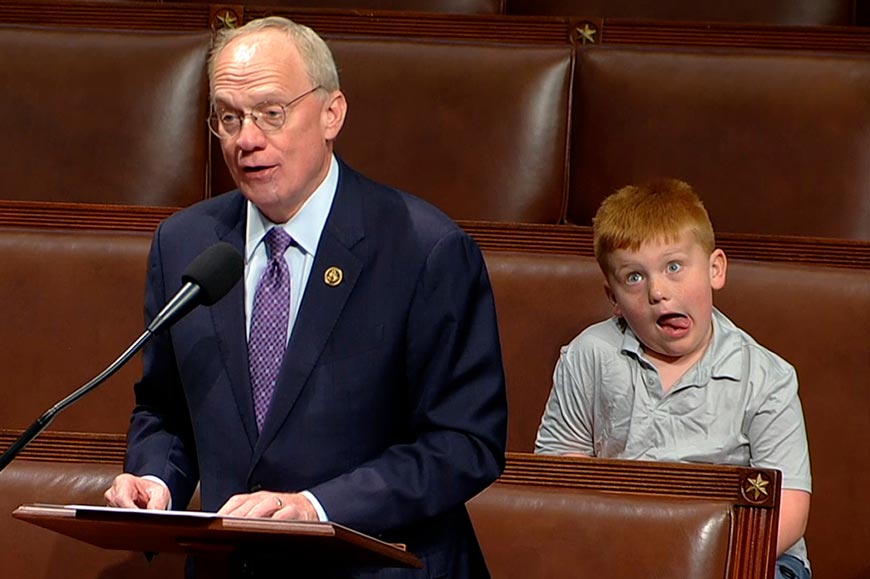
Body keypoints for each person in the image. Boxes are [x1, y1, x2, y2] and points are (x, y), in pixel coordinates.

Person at [104, 16, 507, 578]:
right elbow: (166, 410)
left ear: (331, 113)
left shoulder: (424, 249)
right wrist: (154, 479)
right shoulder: (185, 245)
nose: (247, 139)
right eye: (229, 117)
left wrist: (318, 509)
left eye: (271, 112)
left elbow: (465, 442)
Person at [534, 179, 812, 579]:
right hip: (616, 547)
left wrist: (700, 561)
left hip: (745, 555)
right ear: (612, 298)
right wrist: (617, 547)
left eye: (675, 267)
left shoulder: (767, 377)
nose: (658, 291)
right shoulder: (588, 355)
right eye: (634, 278)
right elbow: (560, 470)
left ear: (715, 269)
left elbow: (789, 506)